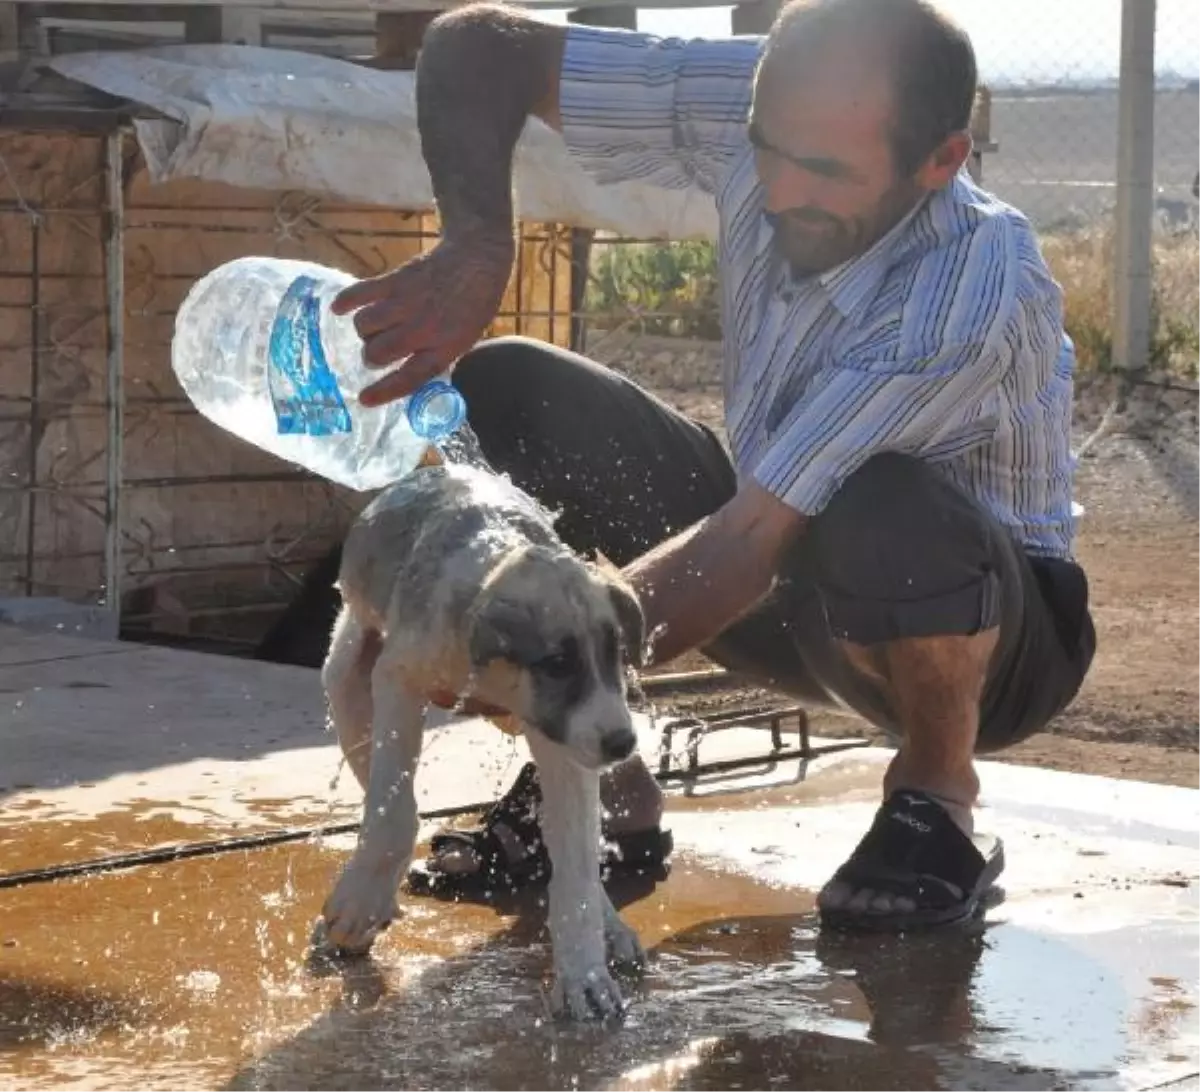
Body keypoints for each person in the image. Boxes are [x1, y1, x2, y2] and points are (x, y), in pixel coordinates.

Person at [263, 0, 1097, 932]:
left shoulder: (972, 285)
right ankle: (609, 797)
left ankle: (935, 806)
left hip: (990, 631)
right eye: (763, 149)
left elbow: (744, 544)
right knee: (510, 388)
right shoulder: (760, 100)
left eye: (823, 171)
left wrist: (529, 652)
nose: (776, 190)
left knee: (883, 502)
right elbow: (474, 48)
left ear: (941, 161)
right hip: (790, 568)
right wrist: (475, 240)